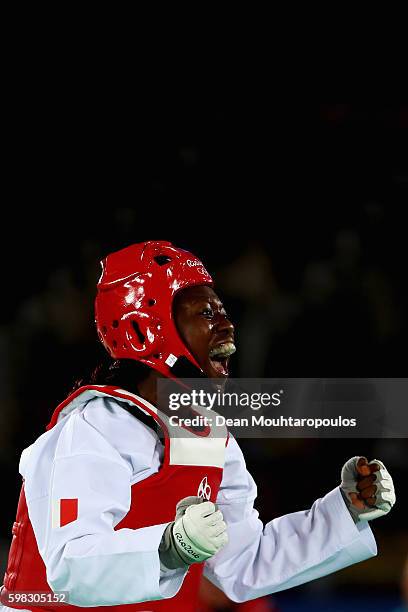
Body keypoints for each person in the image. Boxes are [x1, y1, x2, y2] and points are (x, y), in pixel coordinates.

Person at [0, 240, 396, 612]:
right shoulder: (92, 429)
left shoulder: (203, 434)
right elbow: (71, 566)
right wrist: (170, 547)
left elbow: (239, 565)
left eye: (223, 313)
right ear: (144, 330)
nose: (227, 327)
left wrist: (343, 512)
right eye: (206, 314)